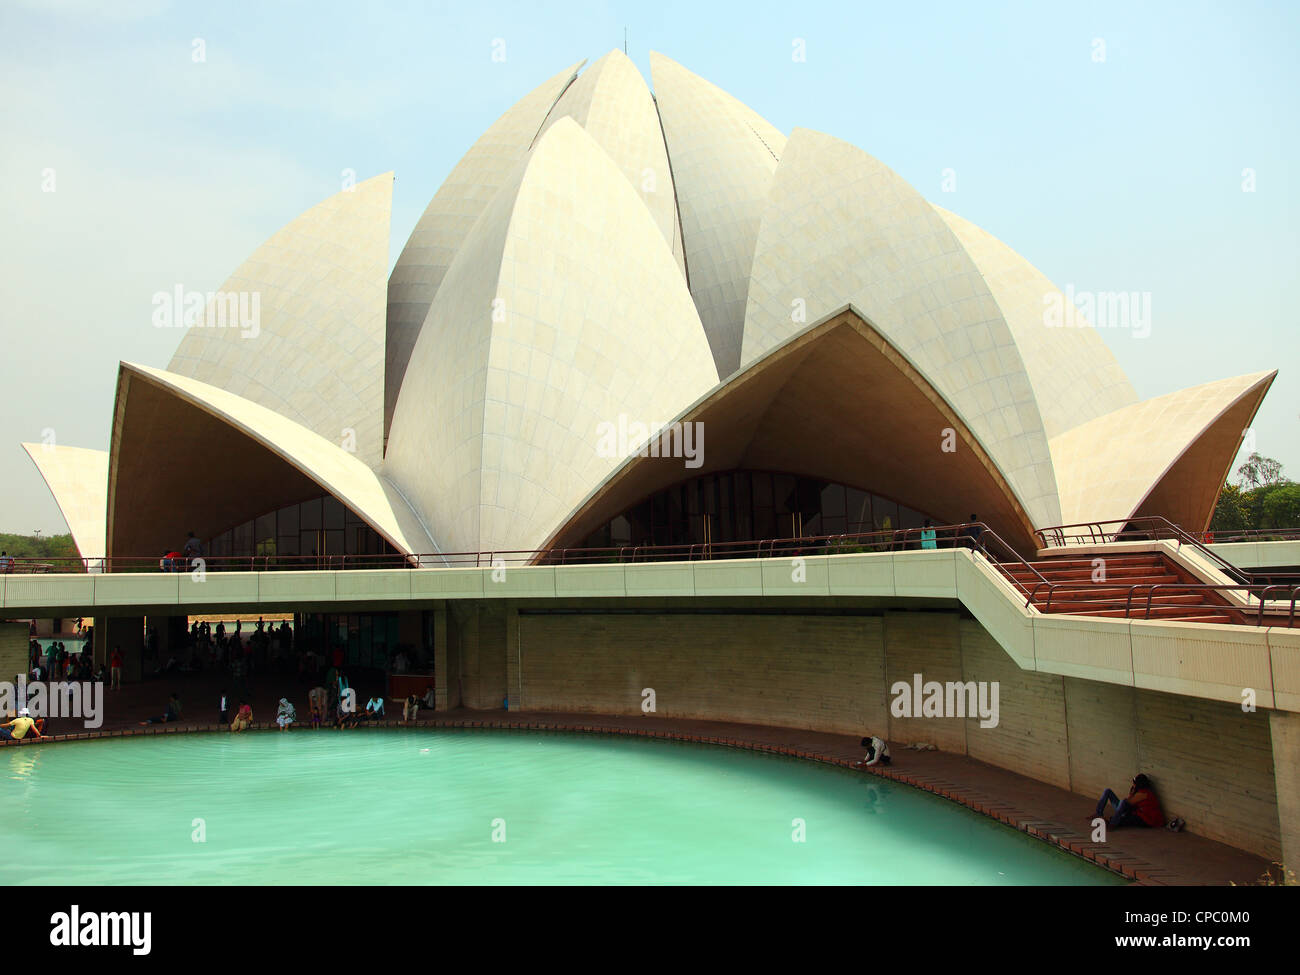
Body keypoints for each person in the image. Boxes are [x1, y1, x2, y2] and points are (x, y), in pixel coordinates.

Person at [1093, 774, 1166, 829]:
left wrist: (1132, 792)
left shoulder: (1144, 793)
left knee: (1124, 808)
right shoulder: (1139, 792)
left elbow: (1127, 803)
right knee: (1107, 791)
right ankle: (1099, 813)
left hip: (1147, 819)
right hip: (1136, 812)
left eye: (1134, 783)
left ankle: (1112, 823)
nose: (1133, 784)